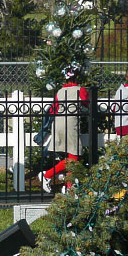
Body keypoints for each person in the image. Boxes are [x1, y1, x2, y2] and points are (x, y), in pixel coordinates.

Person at [38, 64, 89, 194]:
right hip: (71, 125)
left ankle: (68, 187)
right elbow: (87, 104)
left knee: (71, 156)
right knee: (74, 157)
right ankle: (47, 175)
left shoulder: (60, 91)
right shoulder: (80, 90)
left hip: (58, 123)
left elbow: (54, 109)